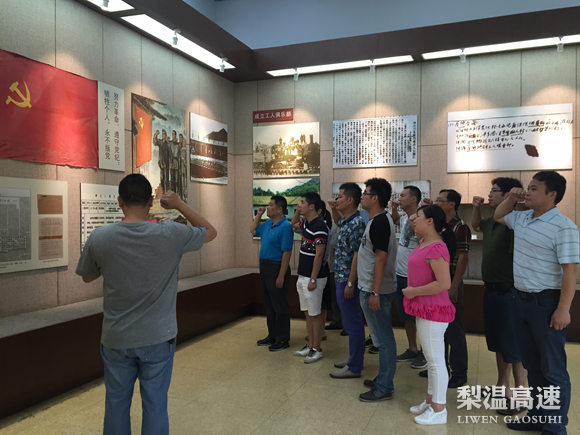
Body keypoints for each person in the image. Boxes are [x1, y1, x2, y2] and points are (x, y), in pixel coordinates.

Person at [75, 174, 217, 435]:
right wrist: (179, 204)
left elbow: (87, 276)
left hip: (116, 336)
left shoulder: (100, 237)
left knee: (116, 404)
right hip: (158, 336)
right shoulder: (170, 233)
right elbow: (210, 232)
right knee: (155, 405)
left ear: (119, 201)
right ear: (151, 201)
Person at [494, 171, 579, 435]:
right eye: (528, 187)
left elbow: (570, 271)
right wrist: (511, 198)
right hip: (520, 301)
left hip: (547, 304)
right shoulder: (522, 217)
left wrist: (563, 309)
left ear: (551, 195)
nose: (527, 192)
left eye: (533, 188)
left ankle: (555, 428)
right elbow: (498, 216)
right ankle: (538, 416)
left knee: (553, 369)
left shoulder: (564, 227)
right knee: (532, 365)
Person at [472, 177, 527, 416]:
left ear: (508, 195)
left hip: (510, 292)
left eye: (494, 191)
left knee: (515, 345)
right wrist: (477, 207)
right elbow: (476, 225)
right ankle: (502, 387)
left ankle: (521, 395)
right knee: (500, 343)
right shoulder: (492, 222)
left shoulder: (515, 221)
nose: (489, 194)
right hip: (492, 289)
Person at [402, 205, 456, 425]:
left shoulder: (437, 247)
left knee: (435, 362)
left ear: (430, 221)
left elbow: (444, 283)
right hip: (424, 308)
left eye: (419, 217)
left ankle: (439, 409)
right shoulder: (424, 242)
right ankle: (430, 401)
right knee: (432, 359)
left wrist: (414, 291)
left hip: (433, 310)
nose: (414, 220)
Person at [421, 189, 470, 388]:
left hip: (450, 282)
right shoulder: (438, 225)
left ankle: (459, 372)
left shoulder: (460, 226)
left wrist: (454, 285)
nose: (437, 202)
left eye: (440, 200)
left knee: (454, 329)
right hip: (434, 284)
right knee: (437, 329)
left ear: (451, 204)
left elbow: (463, 258)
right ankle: (440, 366)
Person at [357, 178, 398, 402]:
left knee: (384, 340)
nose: (362, 197)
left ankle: (384, 387)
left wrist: (375, 292)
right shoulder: (377, 220)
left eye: (365, 193)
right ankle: (383, 378)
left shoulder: (381, 222)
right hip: (374, 288)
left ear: (375, 198)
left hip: (377, 291)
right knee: (380, 338)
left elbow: (381, 260)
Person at [327, 183, 366, 379]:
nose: (337, 199)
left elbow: (358, 255)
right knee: (351, 323)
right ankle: (354, 359)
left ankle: (354, 366)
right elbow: (338, 221)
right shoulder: (346, 220)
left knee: (353, 324)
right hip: (341, 278)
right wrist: (334, 209)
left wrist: (350, 282)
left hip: (348, 281)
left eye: (340, 196)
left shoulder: (357, 223)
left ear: (350, 200)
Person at [390, 185, 427, 369]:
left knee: (419, 316)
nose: (400, 198)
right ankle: (412, 348)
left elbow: (423, 239)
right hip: (401, 273)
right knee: (406, 315)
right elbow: (396, 219)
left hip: (415, 277)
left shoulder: (420, 219)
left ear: (413, 199)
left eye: (403, 196)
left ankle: (424, 352)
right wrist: (394, 209)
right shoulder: (405, 218)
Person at [251, 195, 294, 352]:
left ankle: (282, 339)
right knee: (268, 304)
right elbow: (253, 229)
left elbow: (286, 253)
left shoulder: (285, 226)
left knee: (279, 304)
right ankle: (272, 335)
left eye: (270, 205)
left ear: (279, 209)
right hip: (264, 267)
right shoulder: (268, 223)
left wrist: (281, 275)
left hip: (277, 267)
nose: (267, 208)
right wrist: (258, 215)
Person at [291, 192, 329, 363]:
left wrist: (313, 279)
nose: (299, 205)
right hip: (303, 275)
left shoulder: (320, 226)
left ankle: (317, 349)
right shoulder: (306, 222)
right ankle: (310, 345)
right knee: (308, 314)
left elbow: (319, 255)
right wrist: (298, 211)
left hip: (314, 278)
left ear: (312, 206)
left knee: (315, 314)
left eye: (302, 202)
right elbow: (293, 224)